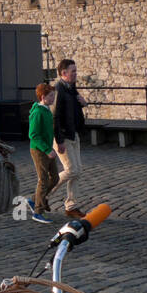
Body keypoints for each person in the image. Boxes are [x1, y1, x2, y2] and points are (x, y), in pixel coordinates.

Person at [52, 58, 88, 218]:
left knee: (78, 171)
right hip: (63, 136)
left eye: (76, 71)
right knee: (71, 170)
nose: (76, 74)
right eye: (73, 71)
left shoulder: (71, 88)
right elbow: (54, 117)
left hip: (74, 134)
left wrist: (83, 103)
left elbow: (73, 108)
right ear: (64, 73)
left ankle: (71, 206)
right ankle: (41, 195)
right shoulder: (58, 90)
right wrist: (59, 141)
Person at [25, 82, 57, 224]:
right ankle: (38, 212)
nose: (53, 98)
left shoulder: (46, 110)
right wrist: (47, 149)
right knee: (43, 180)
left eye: (53, 95)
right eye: (51, 96)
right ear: (43, 97)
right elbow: (33, 135)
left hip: (47, 149)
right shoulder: (38, 112)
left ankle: (34, 199)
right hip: (39, 150)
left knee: (55, 178)